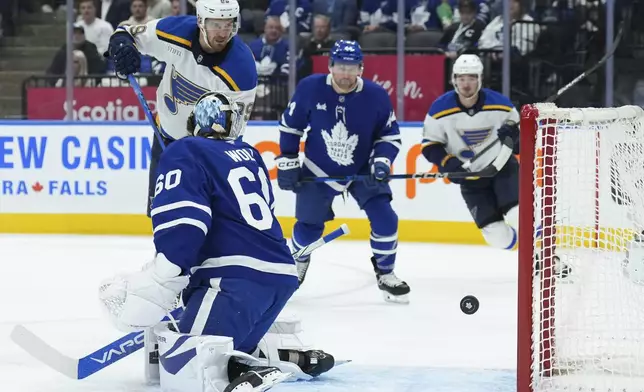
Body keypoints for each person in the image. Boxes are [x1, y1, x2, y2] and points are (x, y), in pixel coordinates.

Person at [99, 92, 334, 392]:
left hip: (232, 280)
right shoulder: (249, 153)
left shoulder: (184, 150)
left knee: (188, 364)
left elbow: (185, 224)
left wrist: (164, 277)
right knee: (226, 347)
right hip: (280, 278)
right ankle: (287, 358)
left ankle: (240, 373)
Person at [276, 40, 411, 304]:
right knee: (307, 228)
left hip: (361, 168)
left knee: (385, 217)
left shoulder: (376, 95)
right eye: (340, 67)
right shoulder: (310, 88)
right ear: (330, 66)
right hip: (318, 168)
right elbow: (291, 126)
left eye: (352, 68)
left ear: (361, 69)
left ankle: (386, 273)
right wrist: (289, 160)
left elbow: (389, 136)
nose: (346, 74)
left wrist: (381, 162)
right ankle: (299, 258)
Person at [421, 54, 572, 277]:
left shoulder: (501, 105)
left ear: (480, 79)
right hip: (472, 181)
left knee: (519, 214)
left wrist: (513, 137)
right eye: (462, 78)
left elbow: (522, 144)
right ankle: (530, 251)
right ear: (454, 80)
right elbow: (430, 145)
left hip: (503, 169)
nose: (466, 83)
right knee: (496, 237)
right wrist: (449, 163)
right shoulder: (439, 109)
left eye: (472, 77)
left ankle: (550, 258)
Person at [106, 0, 257, 217]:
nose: (223, 33)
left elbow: (234, 133)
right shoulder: (175, 31)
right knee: (163, 215)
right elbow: (126, 32)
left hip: (209, 156)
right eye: (216, 24)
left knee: (207, 218)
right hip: (166, 139)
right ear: (201, 21)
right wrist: (122, 46)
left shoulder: (241, 68)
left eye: (229, 24)